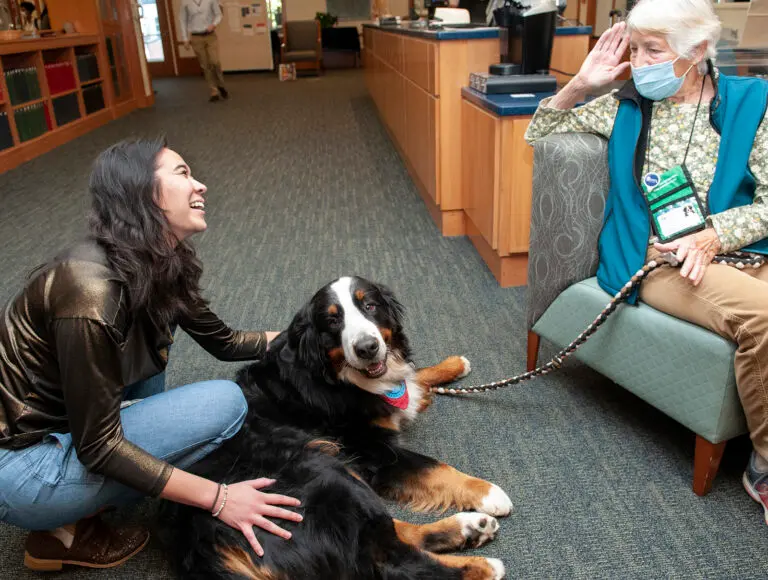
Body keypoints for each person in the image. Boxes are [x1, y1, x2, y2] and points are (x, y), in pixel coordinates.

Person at [0, 137, 303, 572]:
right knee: (226, 403)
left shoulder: (159, 258)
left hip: (67, 422)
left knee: (154, 375)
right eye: (183, 174)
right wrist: (219, 499)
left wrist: (313, 335)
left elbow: (227, 342)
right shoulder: (92, 290)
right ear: (142, 194)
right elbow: (99, 448)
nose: (200, 186)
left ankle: (77, 513)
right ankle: (59, 527)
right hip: (21, 468)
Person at [525, 0, 768, 524]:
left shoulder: (754, 101)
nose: (639, 62)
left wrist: (716, 234)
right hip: (659, 262)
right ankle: (765, 464)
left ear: (698, 51)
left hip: (739, 248)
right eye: (634, 48)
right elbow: (539, 137)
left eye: (652, 49)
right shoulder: (625, 105)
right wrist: (583, 83)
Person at [179, 0, 229, 102]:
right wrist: (185, 38)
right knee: (205, 65)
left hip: (210, 36)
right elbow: (183, 20)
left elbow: (218, 14)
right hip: (196, 37)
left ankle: (220, 85)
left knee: (215, 62)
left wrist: (214, 24)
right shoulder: (185, 2)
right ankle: (213, 90)